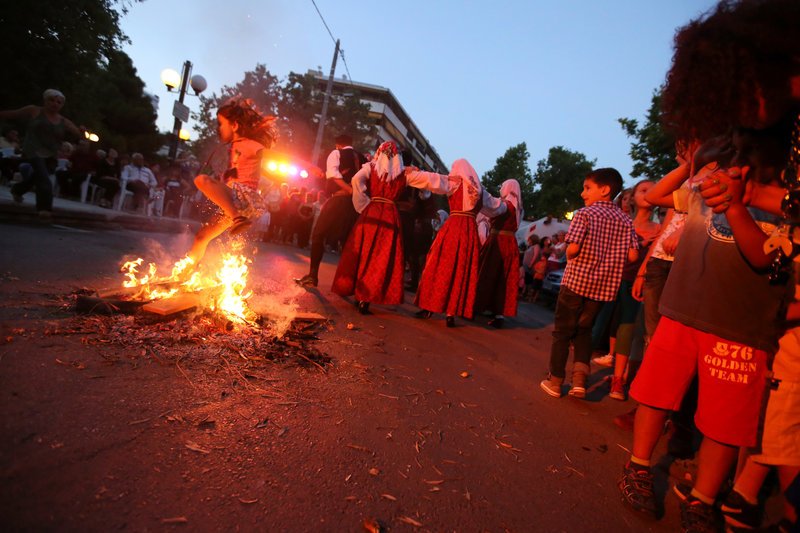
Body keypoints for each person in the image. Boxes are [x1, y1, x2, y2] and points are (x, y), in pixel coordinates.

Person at [617, 2, 800, 530]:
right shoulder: (722, 141)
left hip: (745, 318)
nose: (742, 104)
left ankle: (704, 498)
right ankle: (638, 466)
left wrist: (746, 199)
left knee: (726, 422)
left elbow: (770, 247)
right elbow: (660, 199)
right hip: (686, 302)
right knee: (656, 394)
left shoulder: (784, 152)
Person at [539, 168, 638, 399]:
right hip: (603, 290)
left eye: (587, 188)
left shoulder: (583, 214)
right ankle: (579, 383)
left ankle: (555, 381)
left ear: (604, 190)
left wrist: (569, 249)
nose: (583, 193)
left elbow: (572, 250)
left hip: (575, 283)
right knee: (584, 332)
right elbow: (633, 256)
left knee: (562, 332)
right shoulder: (625, 220)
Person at [331, 141, 450, 314]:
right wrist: (449, 181)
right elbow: (428, 182)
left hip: (372, 213)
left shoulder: (371, 168)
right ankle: (366, 299)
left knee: (364, 252)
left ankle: (358, 292)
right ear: (398, 157)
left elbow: (356, 180)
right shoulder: (403, 175)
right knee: (380, 256)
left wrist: (363, 204)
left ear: (379, 153)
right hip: (389, 216)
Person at [408, 159, 506, 327]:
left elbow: (430, 179)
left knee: (438, 266)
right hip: (469, 233)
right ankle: (451, 313)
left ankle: (429, 307)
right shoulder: (481, 192)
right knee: (461, 270)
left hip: (453, 229)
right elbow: (499, 207)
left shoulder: (454, 182)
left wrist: (410, 174)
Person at [186, 97, 277, 265]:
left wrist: (307, 167)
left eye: (221, 123)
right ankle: (185, 272)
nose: (218, 129)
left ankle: (237, 218)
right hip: (232, 203)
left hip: (243, 199)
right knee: (201, 237)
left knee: (202, 180)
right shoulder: (234, 147)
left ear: (234, 125)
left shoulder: (247, 144)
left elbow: (274, 156)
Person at [295, 134, 366, 287]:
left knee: (318, 234)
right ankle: (353, 283)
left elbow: (334, 174)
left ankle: (313, 275)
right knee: (350, 243)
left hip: (339, 199)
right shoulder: (363, 158)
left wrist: (348, 189)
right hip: (356, 206)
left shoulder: (336, 153)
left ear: (338, 145)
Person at [0, 89, 83, 217]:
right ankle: (44, 208)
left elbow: (77, 132)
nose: (55, 104)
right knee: (44, 177)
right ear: (45, 100)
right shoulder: (34, 110)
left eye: (59, 102)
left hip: (51, 153)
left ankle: (17, 190)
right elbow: (14, 114)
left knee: (41, 174)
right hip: (33, 149)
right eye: (52, 100)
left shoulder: (63, 120)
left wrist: (81, 131)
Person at [474, 179, 523, 328]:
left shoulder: (506, 205)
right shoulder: (518, 208)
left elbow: (491, 207)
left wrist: (478, 190)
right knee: (503, 278)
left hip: (498, 242)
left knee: (488, 274)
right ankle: (497, 312)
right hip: (510, 243)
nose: (501, 188)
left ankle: (477, 307)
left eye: (503, 186)